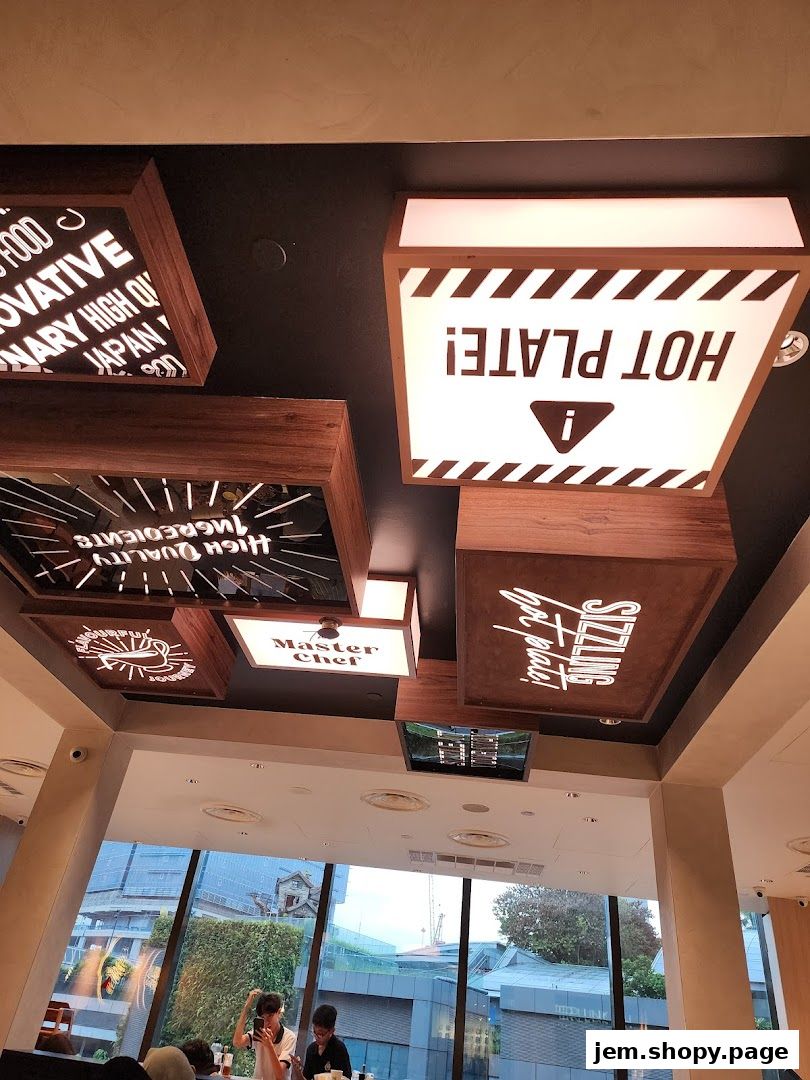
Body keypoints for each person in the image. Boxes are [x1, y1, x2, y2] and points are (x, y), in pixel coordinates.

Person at [234, 988, 296, 1079]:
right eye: (263, 1017)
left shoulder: (289, 1037)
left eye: (270, 1015)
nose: (266, 1021)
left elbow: (279, 1075)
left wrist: (269, 1046)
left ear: (279, 1013)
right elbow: (237, 1042)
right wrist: (246, 1008)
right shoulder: (259, 1033)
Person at [292, 1005, 351, 1080]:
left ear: (332, 1031)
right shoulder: (311, 1049)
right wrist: (298, 1071)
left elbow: (346, 1077)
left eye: (321, 1035)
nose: (317, 1038)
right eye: (315, 1033)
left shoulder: (339, 1049)